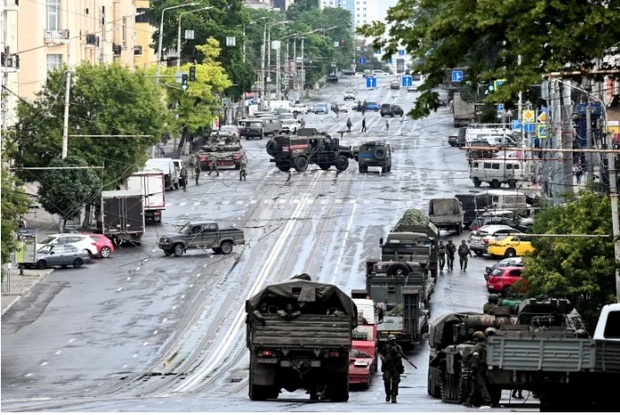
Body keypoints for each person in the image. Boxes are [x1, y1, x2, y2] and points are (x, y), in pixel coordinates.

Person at [464, 331, 492, 408]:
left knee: (480, 384)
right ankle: (470, 401)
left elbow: (475, 358)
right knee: (475, 385)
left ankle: (487, 400)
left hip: (479, 367)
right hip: (483, 367)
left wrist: (473, 368)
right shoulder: (484, 346)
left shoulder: (477, 347)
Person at [380, 334, 404, 403]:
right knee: (387, 381)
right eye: (391, 340)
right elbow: (381, 355)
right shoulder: (386, 347)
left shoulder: (398, 347)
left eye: (394, 340)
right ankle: (388, 394)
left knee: (395, 382)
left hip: (396, 367)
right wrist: (384, 359)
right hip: (387, 367)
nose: (393, 342)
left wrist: (396, 352)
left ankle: (394, 396)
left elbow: (401, 355)